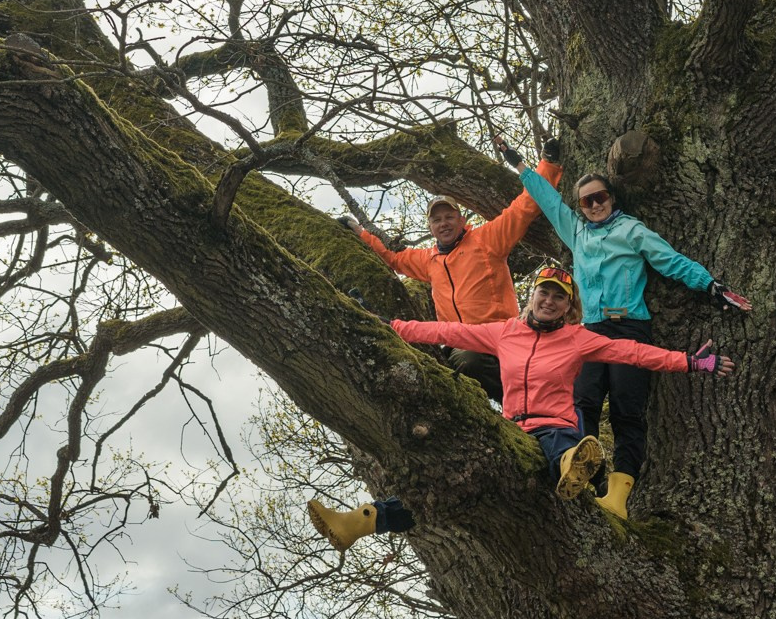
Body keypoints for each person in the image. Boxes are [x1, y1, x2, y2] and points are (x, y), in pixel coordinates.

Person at [306, 266, 720, 549]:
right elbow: (450, 330)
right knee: (449, 481)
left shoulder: (578, 338)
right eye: (545, 292)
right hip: (511, 430)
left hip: (555, 428)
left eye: (561, 298)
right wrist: (393, 326)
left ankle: (574, 470)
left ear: (570, 308)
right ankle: (360, 522)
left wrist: (688, 361)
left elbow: (629, 351)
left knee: (562, 439)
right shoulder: (507, 332)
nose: (550, 301)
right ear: (533, 295)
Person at [517, 162, 748, 521]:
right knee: (583, 403)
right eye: (586, 202)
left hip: (628, 327)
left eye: (600, 197)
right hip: (590, 332)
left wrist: (710, 285)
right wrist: (522, 167)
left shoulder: (632, 231)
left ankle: (618, 496)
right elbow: (550, 203)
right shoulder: (576, 231)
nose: (594, 206)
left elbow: (670, 261)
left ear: (611, 198)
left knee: (627, 410)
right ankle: (584, 479)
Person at [344, 147, 563, 401]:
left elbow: (523, 207)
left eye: (449, 216)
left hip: (496, 340)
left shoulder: (486, 240)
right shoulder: (429, 259)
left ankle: (529, 404)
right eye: (437, 220)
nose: (444, 223)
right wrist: (359, 232)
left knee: (470, 363)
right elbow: (393, 258)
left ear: (461, 220)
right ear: (431, 227)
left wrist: (549, 164)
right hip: (455, 343)